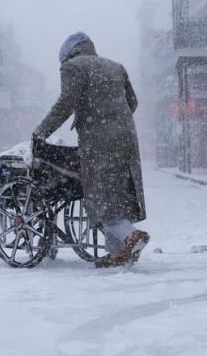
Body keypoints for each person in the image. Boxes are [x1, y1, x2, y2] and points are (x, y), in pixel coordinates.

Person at [34, 32, 149, 268]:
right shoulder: (116, 66)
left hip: (99, 141)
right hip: (126, 138)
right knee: (118, 193)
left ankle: (129, 235)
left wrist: (41, 132)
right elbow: (132, 102)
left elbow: (66, 102)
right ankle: (117, 253)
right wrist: (115, 119)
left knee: (99, 194)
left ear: (67, 56)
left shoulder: (73, 67)